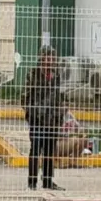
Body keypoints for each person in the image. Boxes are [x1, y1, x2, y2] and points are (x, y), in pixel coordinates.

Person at [22, 47, 65, 192]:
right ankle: (32, 182)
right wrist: (32, 113)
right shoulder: (33, 74)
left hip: (52, 120)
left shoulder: (56, 75)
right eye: (48, 58)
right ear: (41, 58)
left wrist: (60, 112)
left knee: (49, 151)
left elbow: (59, 96)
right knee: (35, 150)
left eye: (52, 58)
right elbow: (25, 97)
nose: (51, 61)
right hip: (37, 119)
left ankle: (47, 181)